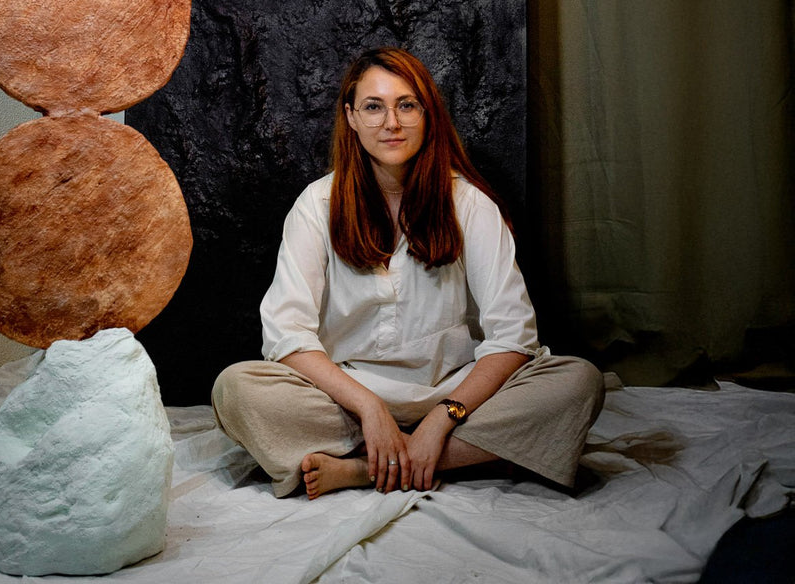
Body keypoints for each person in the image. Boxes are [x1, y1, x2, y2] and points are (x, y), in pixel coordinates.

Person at [212, 47, 605, 500]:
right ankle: (440, 455)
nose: (391, 123)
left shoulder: (470, 204)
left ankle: (366, 468)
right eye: (374, 107)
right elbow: (287, 335)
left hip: (456, 393)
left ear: (427, 114)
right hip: (347, 401)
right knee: (237, 390)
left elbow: (514, 337)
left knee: (577, 382)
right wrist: (370, 408)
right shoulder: (316, 206)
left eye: (406, 105)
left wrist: (443, 417)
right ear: (352, 117)